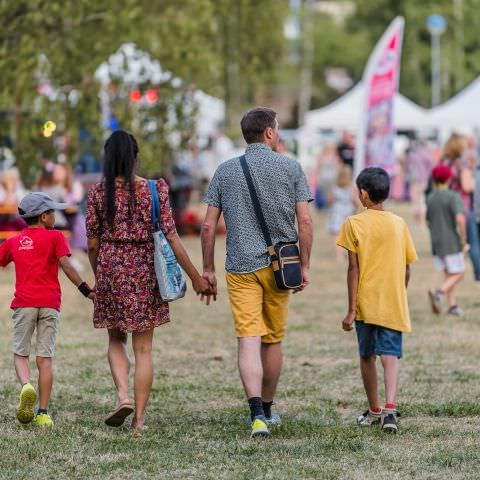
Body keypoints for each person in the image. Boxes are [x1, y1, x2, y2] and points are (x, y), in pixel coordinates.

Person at [86, 130, 211, 438]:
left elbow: (91, 243)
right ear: (136, 157)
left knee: (116, 340)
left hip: (111, 267)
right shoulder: (154, 190)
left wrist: (100, 273)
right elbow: (171, 236)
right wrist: (196, 278)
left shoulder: (98, 192)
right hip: (145, 270)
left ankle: (123, 396)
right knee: (144, 349)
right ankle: (139, 421)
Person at [201, 107, 313, 438]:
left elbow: (208, 226)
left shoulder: (225, 170)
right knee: (273, 339)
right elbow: (304, 221)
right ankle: (268, 407)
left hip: (241, 267)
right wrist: (304, 264)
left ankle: (255, 415)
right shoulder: (292, 168)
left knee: (248, 339)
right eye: (276, 129)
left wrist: (207, 268)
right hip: (282, 267)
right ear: (268, 133)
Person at [0, 192, 95, 427]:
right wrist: (86, 290)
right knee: (45, 359)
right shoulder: (56, 237)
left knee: (21, 353)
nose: (56, 216)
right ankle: (42, 412)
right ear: (44, 217)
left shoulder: (13, 241)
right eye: (53, 212)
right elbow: (67, 266)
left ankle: (26, 386)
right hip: (50, 304)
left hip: (24, 304)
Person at [337, 167, 417, 433]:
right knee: (390, 355)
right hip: (393, 303)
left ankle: (374, 410)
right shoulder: (399, 224)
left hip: (365, 304)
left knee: (367, 356)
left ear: (362, 193)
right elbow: (407, 268)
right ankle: (390, 410)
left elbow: (353, 269)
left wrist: (350, 310)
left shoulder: (353, 223)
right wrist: (399, 292)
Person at [426, 165, 466, 316]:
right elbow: (460, 219)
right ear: (449, 178)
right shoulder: (452, 196)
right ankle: (439, 293)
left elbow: (428, 221)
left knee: (449, 274)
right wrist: (464, 239)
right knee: (460, 272)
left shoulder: (430, 197)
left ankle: (452, 305)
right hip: (451, 242)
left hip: (436, 243)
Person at [443, 134, 480, 282]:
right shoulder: (461, 165)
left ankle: (451, 272)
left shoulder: (445, 163)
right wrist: (473, 179)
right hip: (463, 208)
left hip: (448, 207)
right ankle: (478, 274)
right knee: (473, 243)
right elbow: (467, 187)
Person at [327, 165, 355, 261]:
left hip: (337, 211)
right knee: (347, 234)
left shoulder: (335, 187)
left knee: (336, 234)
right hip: (348, 211)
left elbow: (330, 200)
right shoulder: (351, 187)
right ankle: (344, 252)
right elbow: (355, 200)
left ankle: (339, 255)